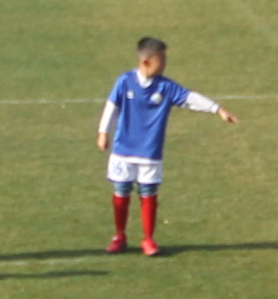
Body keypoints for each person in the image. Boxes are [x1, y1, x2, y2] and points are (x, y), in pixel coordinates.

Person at [98, 36, 237, 257]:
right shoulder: (124, 81)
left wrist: (217, 109)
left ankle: (148, 239)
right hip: (123, 150)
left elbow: (190, 98)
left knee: (148, 195)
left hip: (150, 152)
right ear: (146, 62)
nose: (164, 64)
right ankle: (119, 236)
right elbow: (111, 106)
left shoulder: (166, 86)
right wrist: (103, 132)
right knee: (121, 194)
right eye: (161, 59)